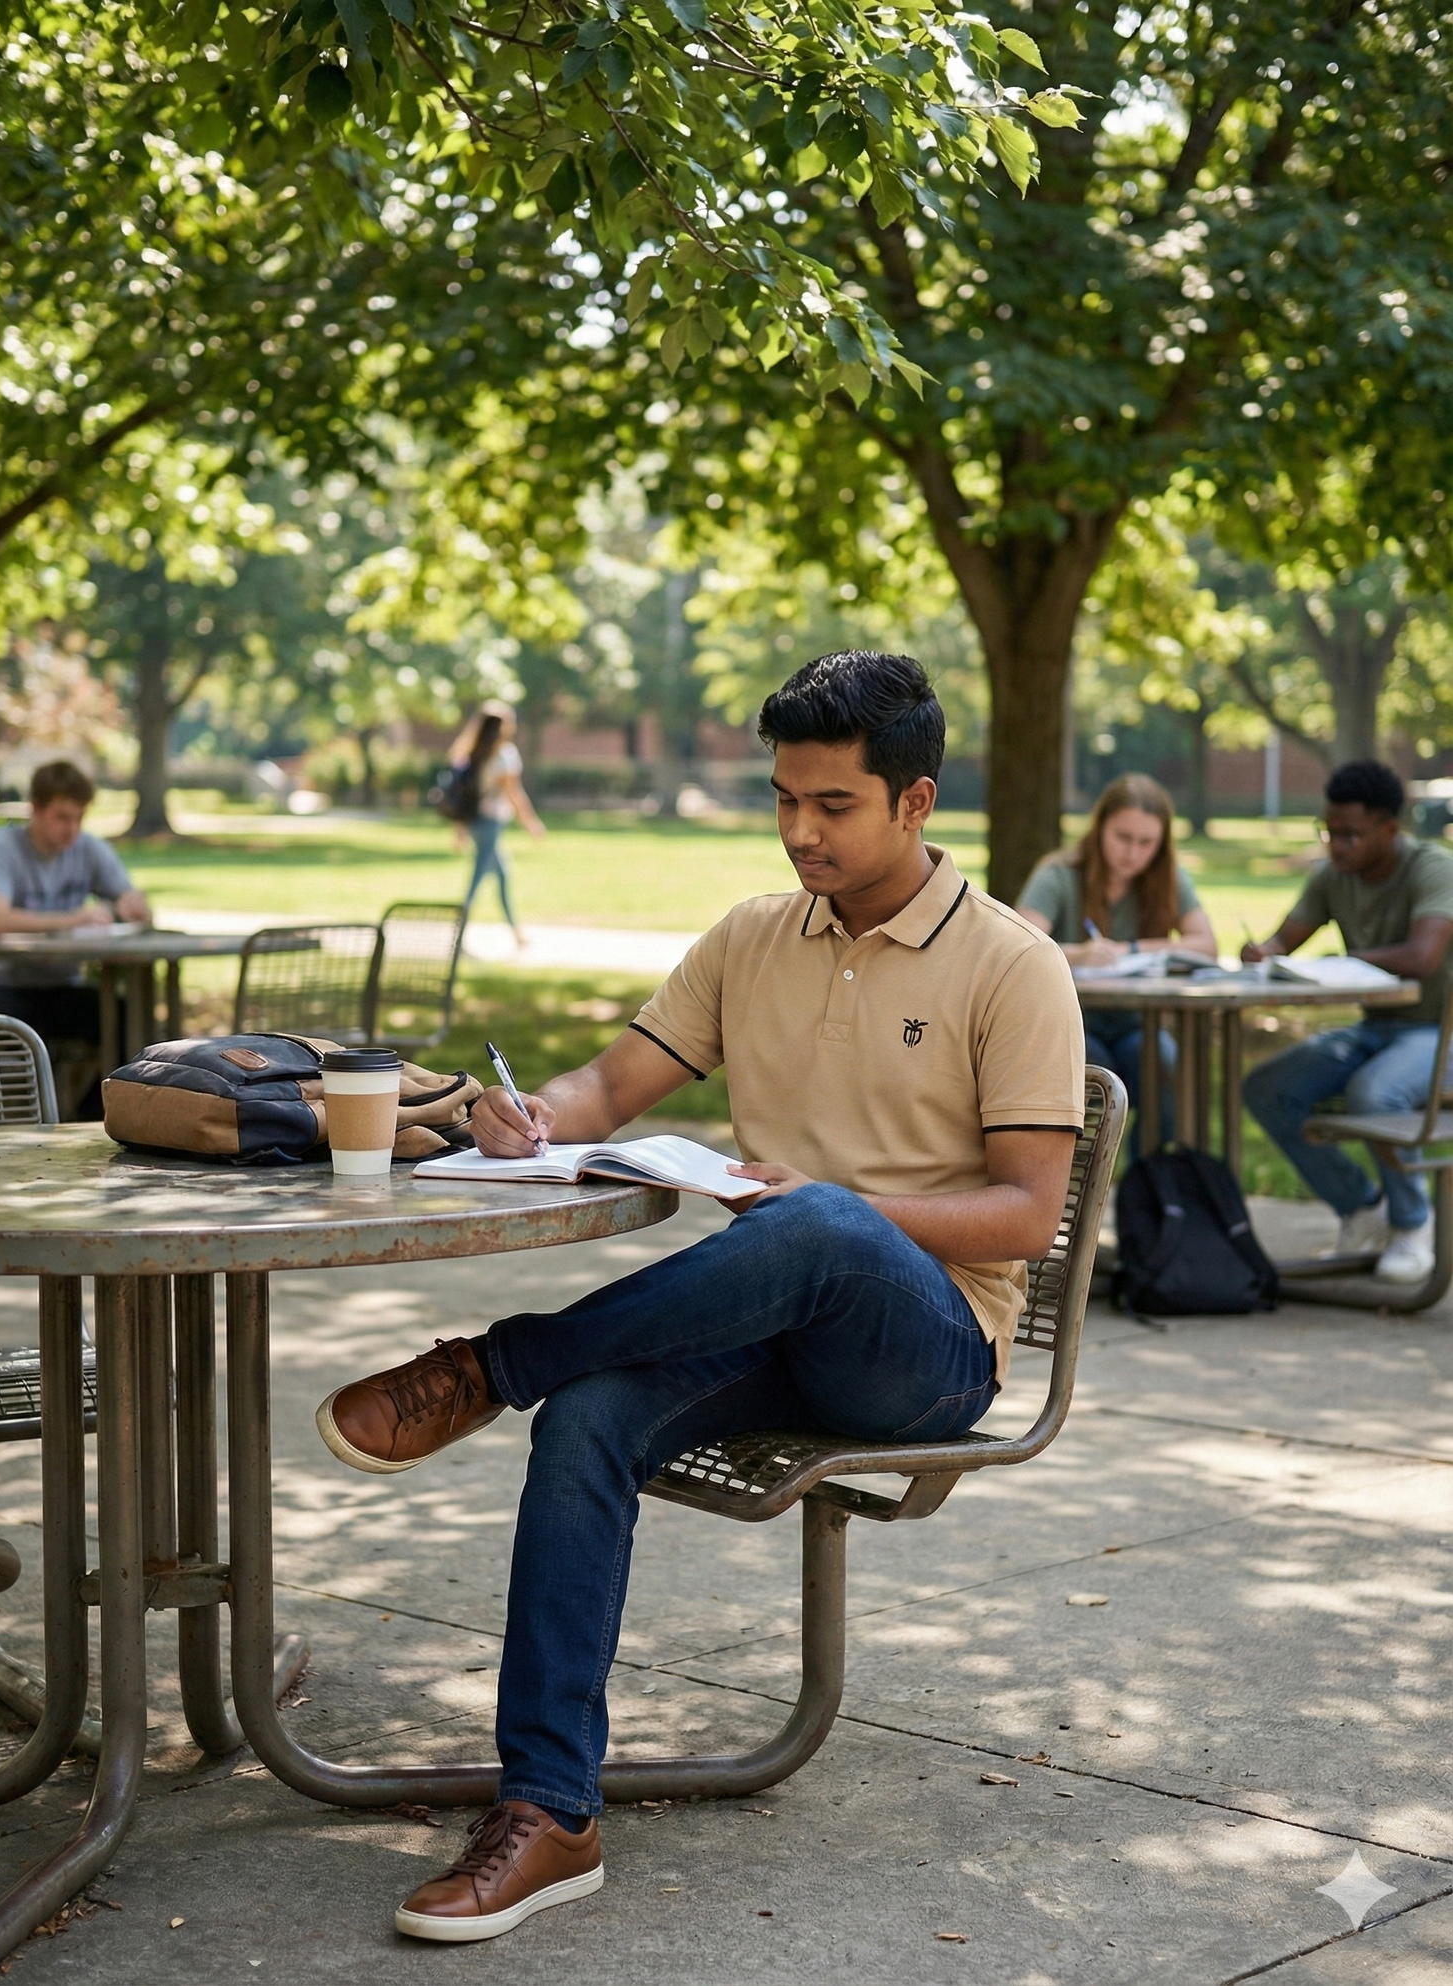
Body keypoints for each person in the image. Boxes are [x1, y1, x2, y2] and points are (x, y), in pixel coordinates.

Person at [315, 651, 1087, 1943]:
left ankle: (494, 1365)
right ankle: (549, 1809)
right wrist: (528, 1118)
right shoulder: (749, 937)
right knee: (592, 1419)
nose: (799, 831)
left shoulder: (1013, 966)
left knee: (826, 1218)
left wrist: (836, 1208)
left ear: (916, 801)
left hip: (932, 1341)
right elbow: (611, 1090)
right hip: (770, 1320)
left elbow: (1025, 1212)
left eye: (832, 805)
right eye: (783, 798)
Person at [1242, 759, 1453, 1284]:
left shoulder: (1433, 868)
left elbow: (1423, 957)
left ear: (1389, 828)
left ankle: (1412, 1224)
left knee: (1374, 1093)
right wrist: (1261, 951)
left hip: (1438, 1032)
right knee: (1268, 1088)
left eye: (1351, 835)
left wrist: (1341, 963)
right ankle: (1363, 1208)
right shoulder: (1332, 876)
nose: (1336, 846)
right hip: (1375, 1030)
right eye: (1329, 832)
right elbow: (1283, 943)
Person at [1018, 773, 1217, 1147]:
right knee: (1091, 1073)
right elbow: (1021, 946)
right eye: (1123, 838)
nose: (1133, 853)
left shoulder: (1168, 878)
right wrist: (1080, 953)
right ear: (1100, 828)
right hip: (1072, 1022)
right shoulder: (1059, 873)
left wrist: (1133, 950)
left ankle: (1147, 1188)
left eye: (1146, 843)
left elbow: (1205, 946)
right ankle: (1079, 1189)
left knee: (1165, 1064)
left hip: (1138, 1022)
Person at [0, 761, 151, 1111]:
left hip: (60, 987)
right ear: (36, 809)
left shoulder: (88, 849)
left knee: (134, 1025)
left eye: (79, 818)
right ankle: (37, 1132)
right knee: (32, 1040)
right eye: (62, 818)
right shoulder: (1, 848)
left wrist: (133, 905)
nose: (72, 829)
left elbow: (132, 899)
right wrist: (72, 918)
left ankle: (91, 1119)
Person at [450, 701, 544, 942]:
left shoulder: (471, 752)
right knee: (478, 877)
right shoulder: (504, 754)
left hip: (475, 822)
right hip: (490, 823)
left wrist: (459, 828)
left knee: (502, 875)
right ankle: (458, 932)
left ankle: (517, 932)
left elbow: (462, 795)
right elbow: (514, 793)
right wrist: (530, 822)